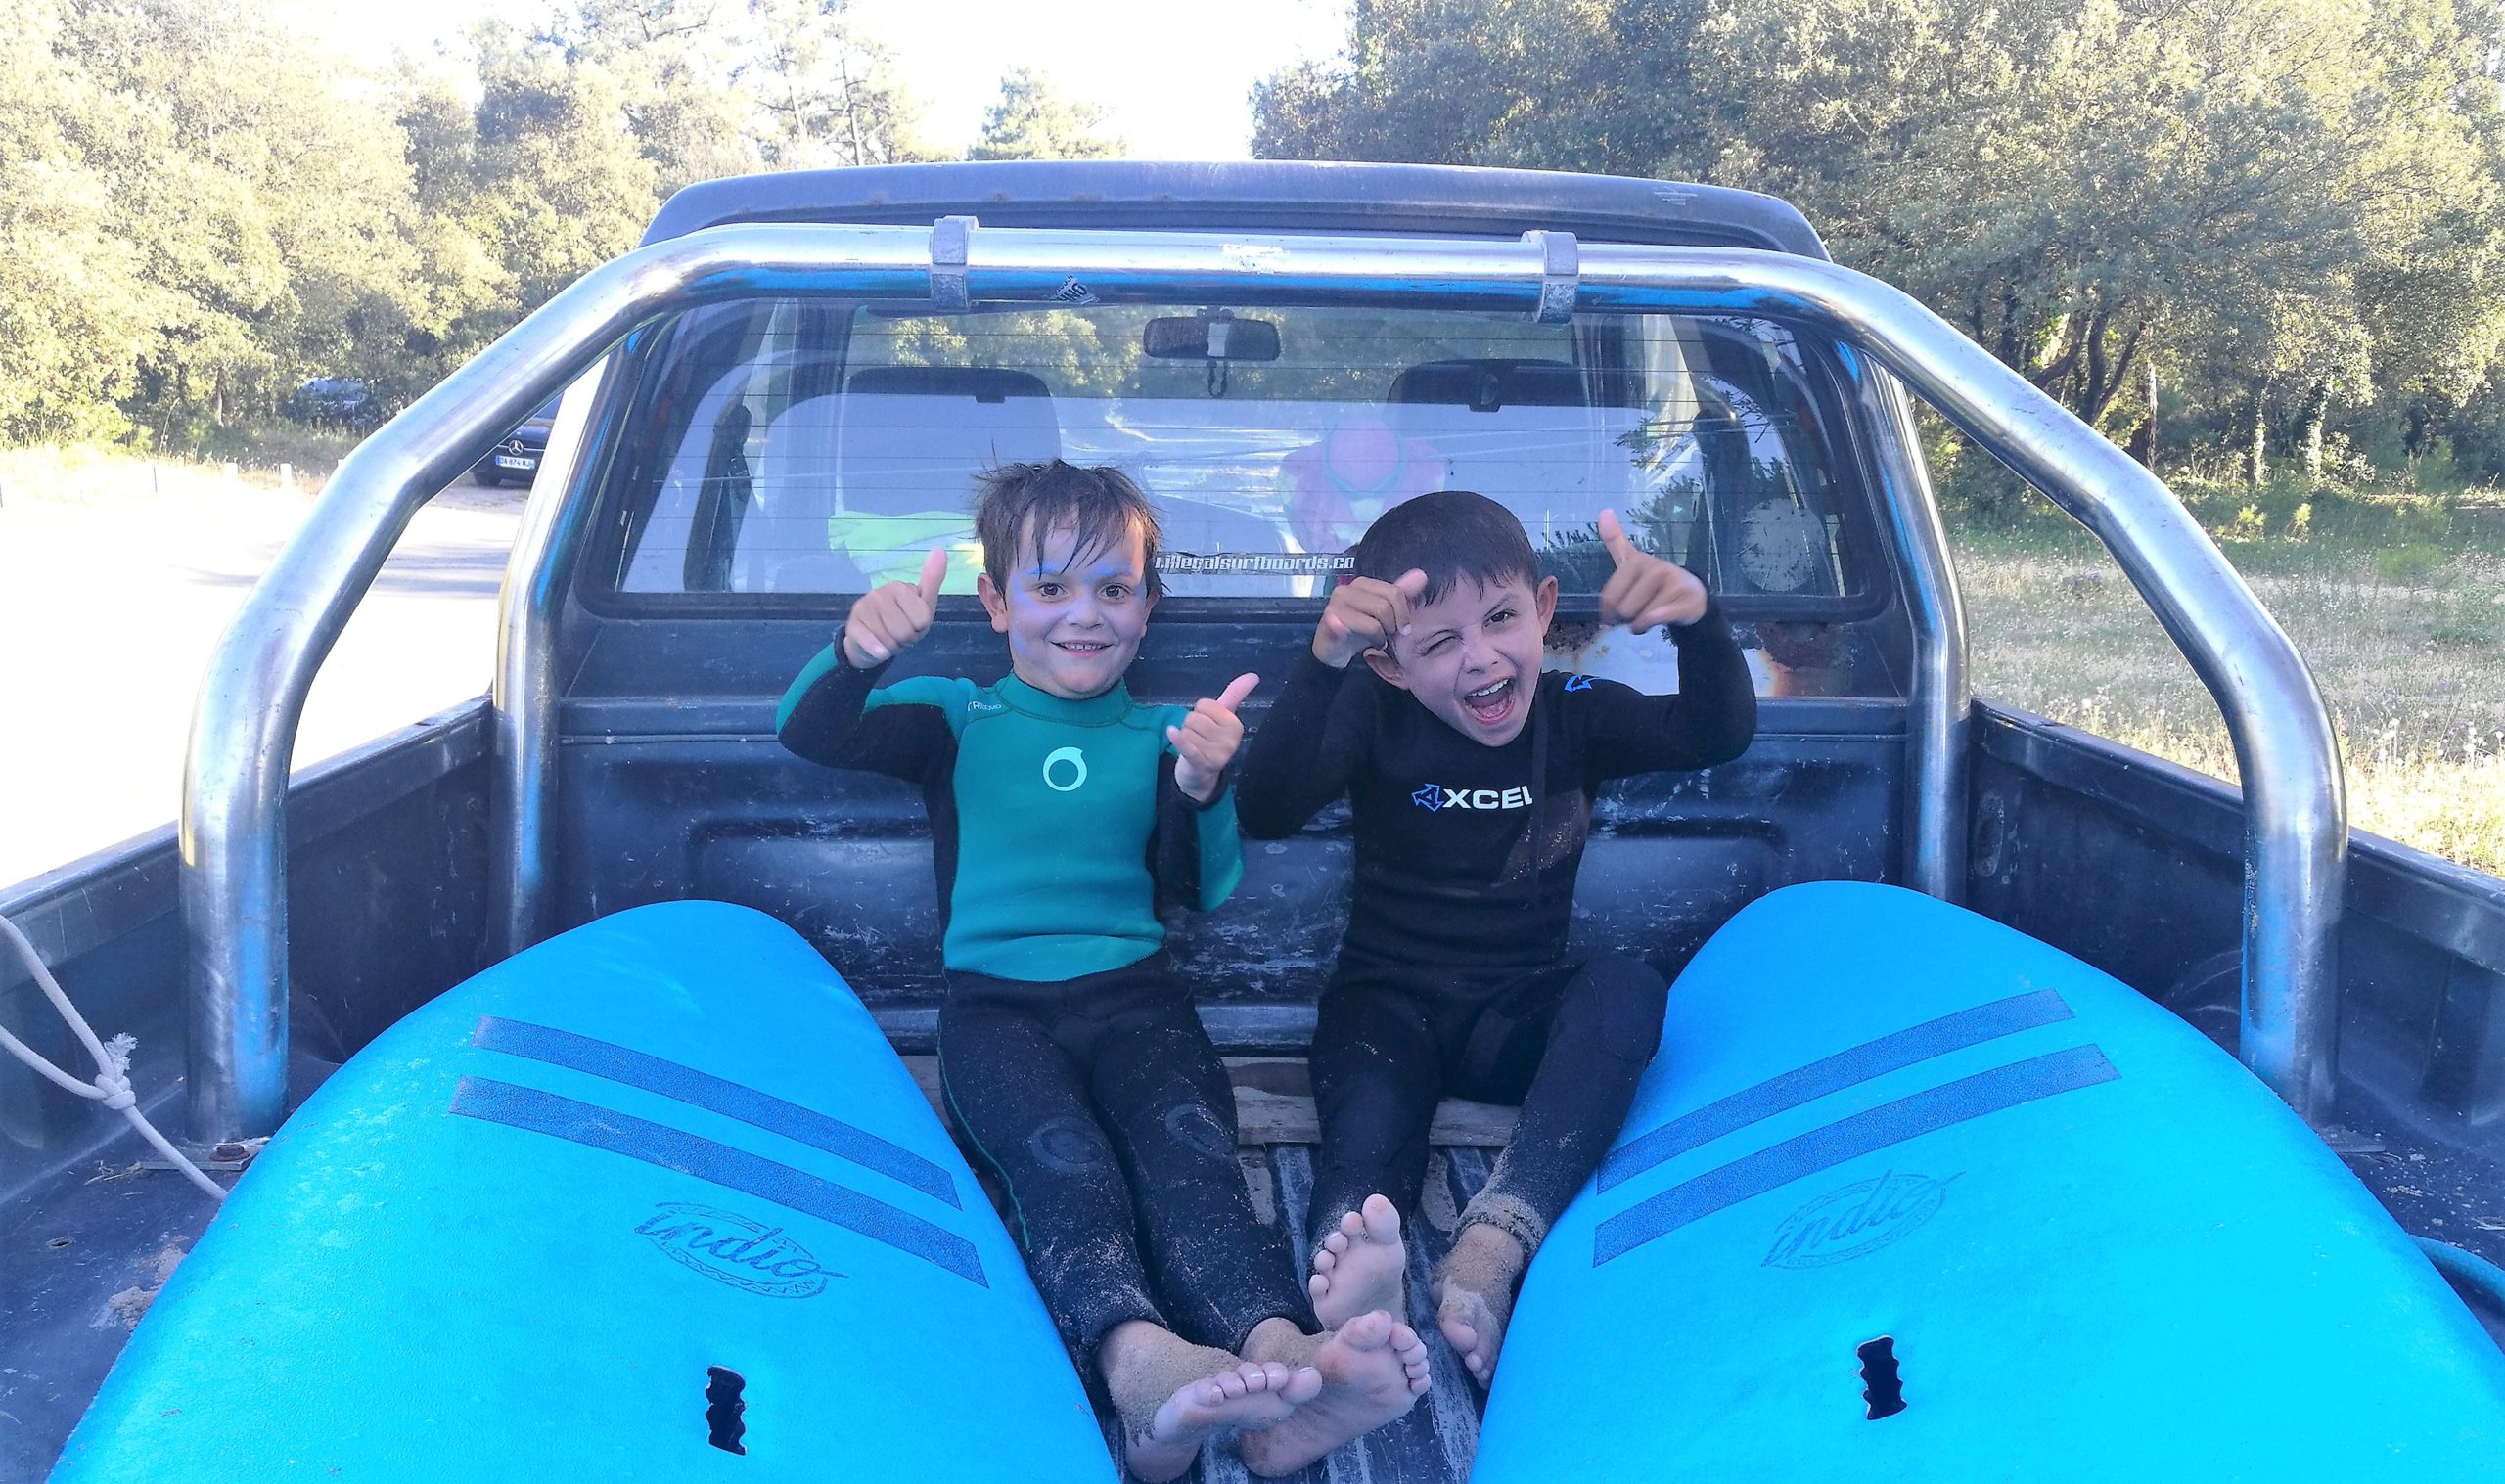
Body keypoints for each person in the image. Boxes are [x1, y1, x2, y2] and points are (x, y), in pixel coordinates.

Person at [775, 461, 1429, 1481]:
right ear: (995, 602)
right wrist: (854, 652)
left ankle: (1279, 1357)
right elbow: (809, 730)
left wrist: (1205, 782)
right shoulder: (954, 715)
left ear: (1147, 605)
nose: (1083, 614)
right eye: (1050, 587)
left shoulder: (1160, 736)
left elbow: (1198, 890)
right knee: (1062, 1171)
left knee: (1191, 1162)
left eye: (1113, 588)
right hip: (996, 1014)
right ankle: (1140, 1368)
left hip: (1139, 1001)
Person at [1235, 489, 1756, 1387]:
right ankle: (1358, 1281)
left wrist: (1698, 621)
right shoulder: (1369, 710)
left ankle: (1493, 1241)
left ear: (1545, 611)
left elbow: (1715, 731)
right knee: (1367, 1130)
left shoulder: (1576, 710)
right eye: (1439, 642)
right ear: (1391, 666)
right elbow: (1265, 804)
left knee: (1629, 987)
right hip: (1384, 1007)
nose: (1480, 658)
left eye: (1502, 619)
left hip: (1513, 1012)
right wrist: (1321, 665)